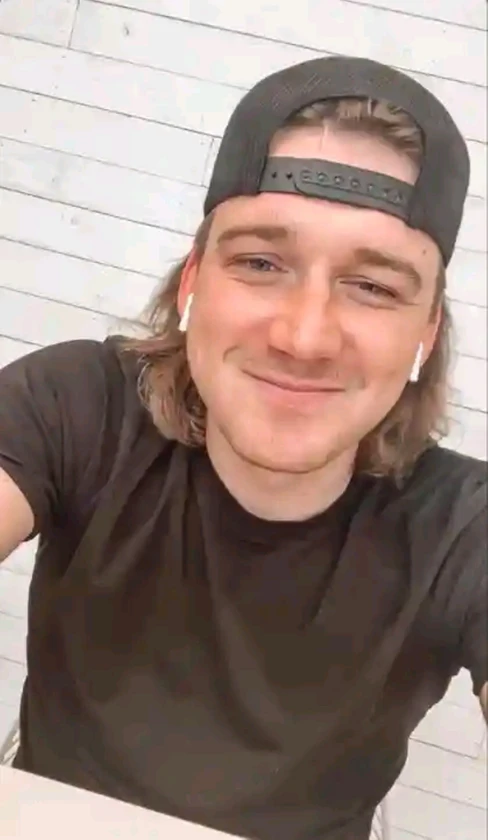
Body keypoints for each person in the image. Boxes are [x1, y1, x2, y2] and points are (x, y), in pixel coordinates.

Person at [0, 55, 486, 840]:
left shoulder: (465, 527)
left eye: (373, 286)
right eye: (261, 263)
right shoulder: (76, 405)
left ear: (426, 335)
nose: (304, 336)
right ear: (192, 283)